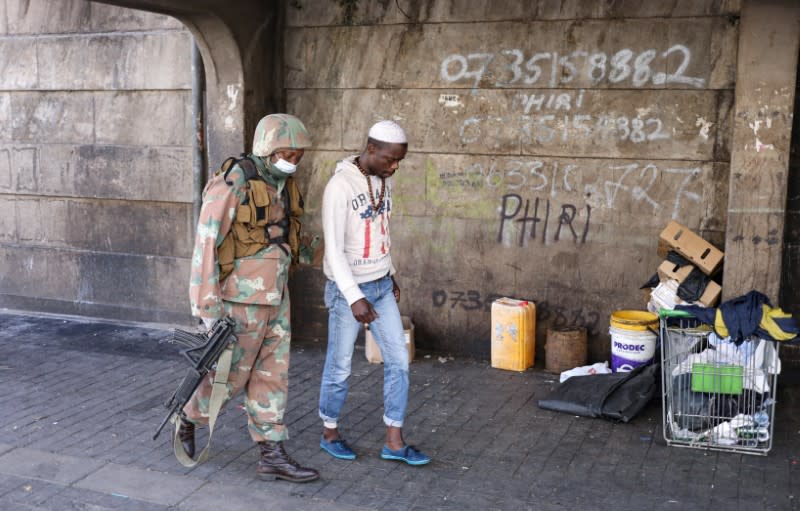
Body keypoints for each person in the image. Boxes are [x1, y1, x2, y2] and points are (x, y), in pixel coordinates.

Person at [179, 113, 319, 483]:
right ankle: (189, 416)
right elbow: (206, 242)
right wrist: (206, 308)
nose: (294, 160)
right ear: (267, 147)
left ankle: (271, 452)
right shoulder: (235, 179)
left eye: (298, 154)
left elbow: (290, 235)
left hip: (277, 297)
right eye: (287, 152)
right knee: (229, 379)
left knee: (274, 375)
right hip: (239, 302)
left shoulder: (283, 183)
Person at [317, 120, 430, 466]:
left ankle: (394, 442)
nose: (394, 166)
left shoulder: (382, 183)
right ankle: (330, 433)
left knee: (399, 362)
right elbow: (334, 250)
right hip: (347, 289)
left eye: (400, 161)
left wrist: (390, 272)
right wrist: (354, 296)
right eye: (390, 159)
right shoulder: (339, 187)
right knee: (339, 366)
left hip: (380, 284)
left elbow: (381, 231)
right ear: (371, 149)